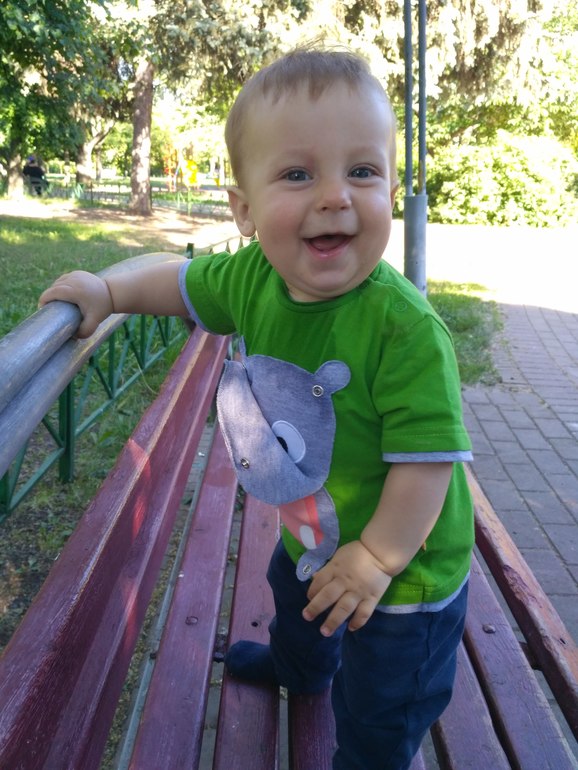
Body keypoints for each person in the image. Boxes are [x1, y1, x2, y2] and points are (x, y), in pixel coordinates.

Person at [39, 48, 474, 770]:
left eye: (362, 171)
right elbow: (179, 283)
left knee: (382, 704)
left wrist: (374, 559)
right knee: (291, 593)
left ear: (393, 192)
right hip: (315, 530)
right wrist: (109, 292)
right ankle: (299, 669)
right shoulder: (252, 276)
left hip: (405, 575)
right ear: (243, 210)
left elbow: (427, 465)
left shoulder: (405, 330)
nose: (335, 197)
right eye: (298, 174)